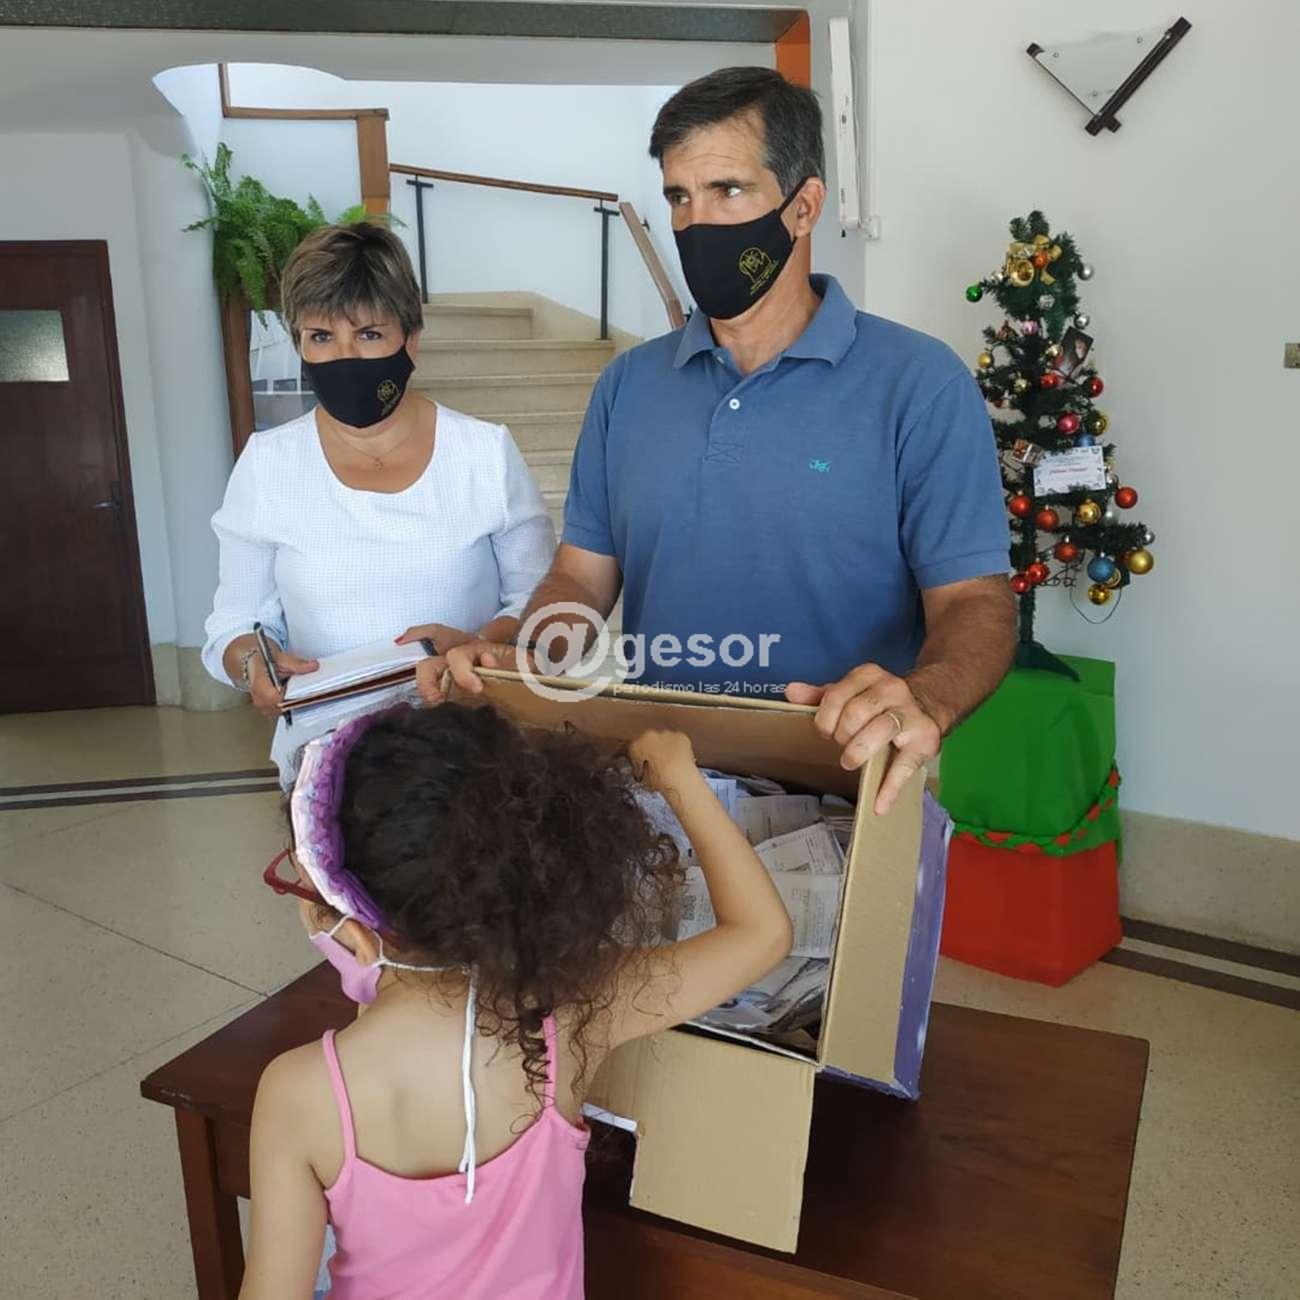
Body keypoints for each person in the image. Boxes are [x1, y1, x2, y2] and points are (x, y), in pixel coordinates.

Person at [428, 68, 1016, 814]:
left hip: (852, 789)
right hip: (661, 785)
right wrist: (528, 653)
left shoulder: (919, 383)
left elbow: (975, 601)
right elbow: (582, 576)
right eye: (679, 197)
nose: (696, 223)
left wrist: (926, 698)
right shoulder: (628, 386)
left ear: (804, 206)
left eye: (728, 190)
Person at [239, 703, 792, 1299]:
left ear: (355, 934)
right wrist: (679, 776)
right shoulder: (571, 1012)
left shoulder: (299, 1093)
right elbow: (760, 933)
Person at [201, 222, 554, 782]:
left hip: (472, 753)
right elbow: (235, 622)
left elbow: (541, 606)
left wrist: (481, 645)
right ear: (298, 344)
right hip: (324, 761)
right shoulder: (268, 465)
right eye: (321, 337)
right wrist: (252, 661)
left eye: (368, 334)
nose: (345, 357)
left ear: (411, 339)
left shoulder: (483, 454)